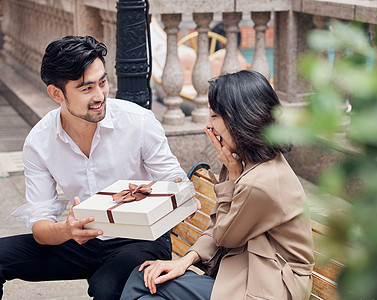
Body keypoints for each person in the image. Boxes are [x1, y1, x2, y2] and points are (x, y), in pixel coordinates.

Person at [0, 35, 188, 300]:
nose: (100, 96)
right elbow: (41, 229)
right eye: (86, 88)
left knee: (105, 287)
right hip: (82, 240)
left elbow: (174, 179)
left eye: (103, 82)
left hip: (142, 239)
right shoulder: (39, 141)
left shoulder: (139, 122)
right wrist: (66, 230)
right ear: (57, 93)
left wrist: (179, 192)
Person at [120, 70, 315, 300]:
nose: (208, 125)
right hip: (249, 267)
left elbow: (225, 236)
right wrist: (184, 261)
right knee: (147, 291)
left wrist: (232, 176)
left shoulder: (258, 181)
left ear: (238, 119)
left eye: (214, 116)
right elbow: (218, 225)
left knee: (140, 281)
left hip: (272, 285)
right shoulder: (249, 161)